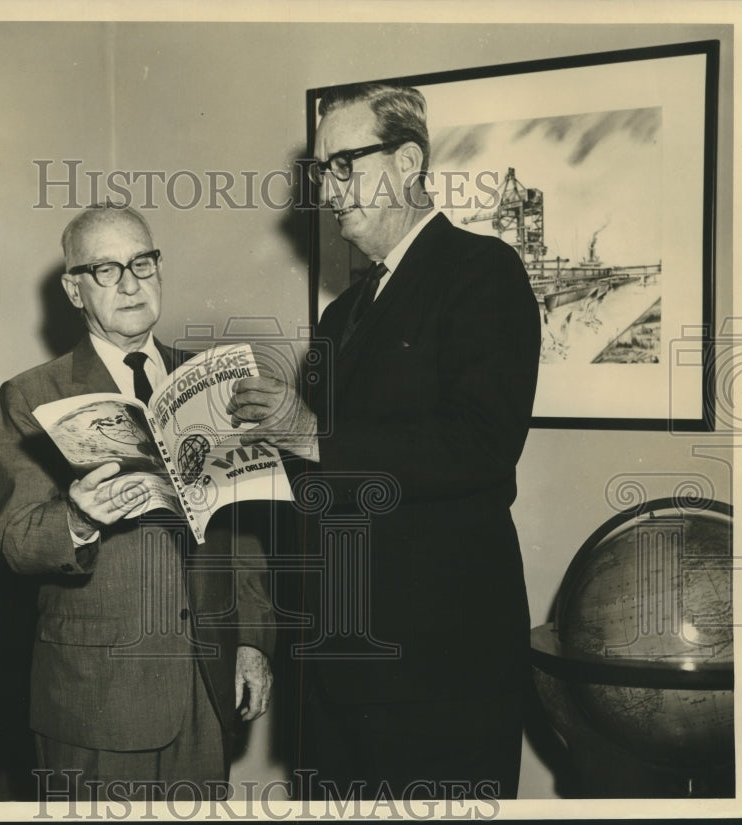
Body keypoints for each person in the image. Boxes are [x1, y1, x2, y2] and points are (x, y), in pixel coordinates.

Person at [227, 83, 540, 801]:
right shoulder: (342, 316)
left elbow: (481, 443)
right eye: (320, 170)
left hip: (438, 670)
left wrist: (306, 428)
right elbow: (321, 473)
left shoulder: (482, 272)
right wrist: (236, 457)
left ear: (407, 161)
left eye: (345, 164)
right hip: (337, 665)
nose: (328, 189)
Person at [0, 204, 274, 801]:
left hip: (205, 681)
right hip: (97, 694)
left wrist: (252, 640)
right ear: (74, 289)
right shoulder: (31, 396)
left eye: (142, 262)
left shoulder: (206, 383)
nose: (130, 283)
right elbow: (16, 541)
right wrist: (78, 516)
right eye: (106, 269)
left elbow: (238, 526)